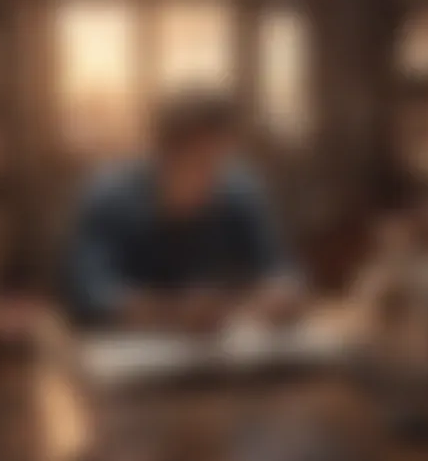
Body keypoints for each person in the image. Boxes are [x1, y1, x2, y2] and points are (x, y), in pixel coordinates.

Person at [67, 91, 302, 330]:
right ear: (162, 154)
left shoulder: (239, 189)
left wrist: (273, 296)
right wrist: (172, 311)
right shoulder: (111, 195)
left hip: (225, 346)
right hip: (133, 348)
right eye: (198, 160)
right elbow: (88, 291)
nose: (212, 176)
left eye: (219, 159)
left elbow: (283, 272)